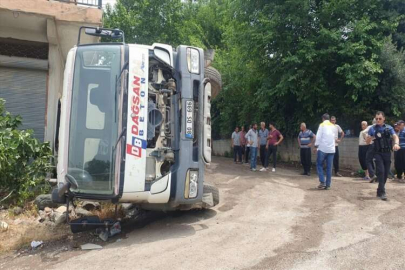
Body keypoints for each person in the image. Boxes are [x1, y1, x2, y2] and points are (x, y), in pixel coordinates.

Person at [366, 111, 400, 200]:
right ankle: (383, 192)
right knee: (381, 171)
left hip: (387, 153)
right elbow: (367, 142)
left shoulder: (389, 128)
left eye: (380, 118)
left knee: (385, 173)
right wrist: (368, 139)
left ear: (384, 119)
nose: (378, 120)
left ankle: (379, 190)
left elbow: (395, 136)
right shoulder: (372, 129)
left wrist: (396, 143)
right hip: (377, 153)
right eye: (376, 119)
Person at [314, 113, 336, 190]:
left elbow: (318, 136)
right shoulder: (333, 126)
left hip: (323, 149)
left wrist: (316, 146)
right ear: (329, 119)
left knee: (319, 164)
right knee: (329, 167)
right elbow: (334, 137)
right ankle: (328, 185)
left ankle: (322, 181)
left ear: (323, 118)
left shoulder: (322, 125)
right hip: (331, 149)